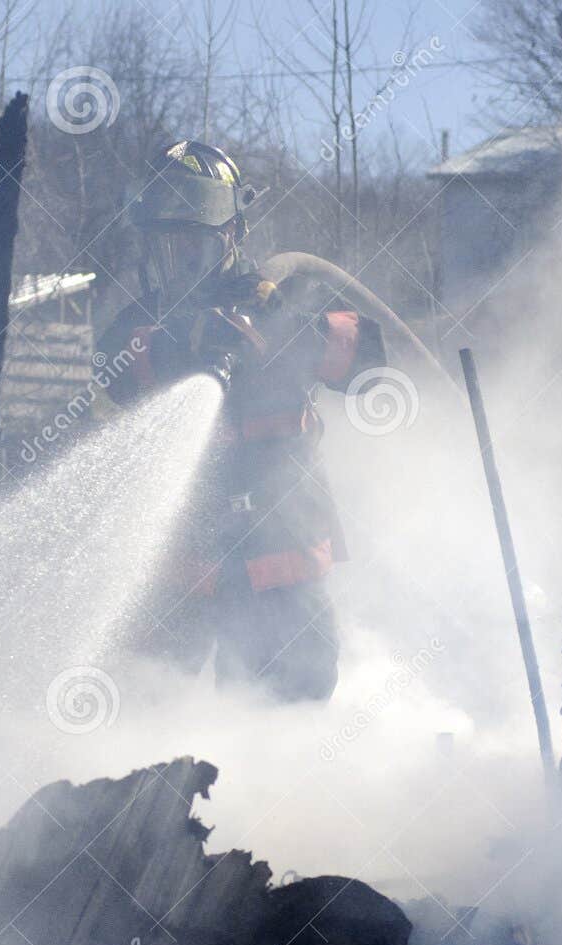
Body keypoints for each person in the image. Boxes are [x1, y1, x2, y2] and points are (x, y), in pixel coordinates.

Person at [95, 140, 387, 702]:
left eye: (192, 244)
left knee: (285, 735)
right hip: (177, 579)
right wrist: (187, 340)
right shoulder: (144, 322)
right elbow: (110, 369)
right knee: (145, 723)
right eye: (165, 244)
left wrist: (284, 331)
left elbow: (372, 362)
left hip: (284, 575)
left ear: (230, 235)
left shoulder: (285, 298)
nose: (178, 259)